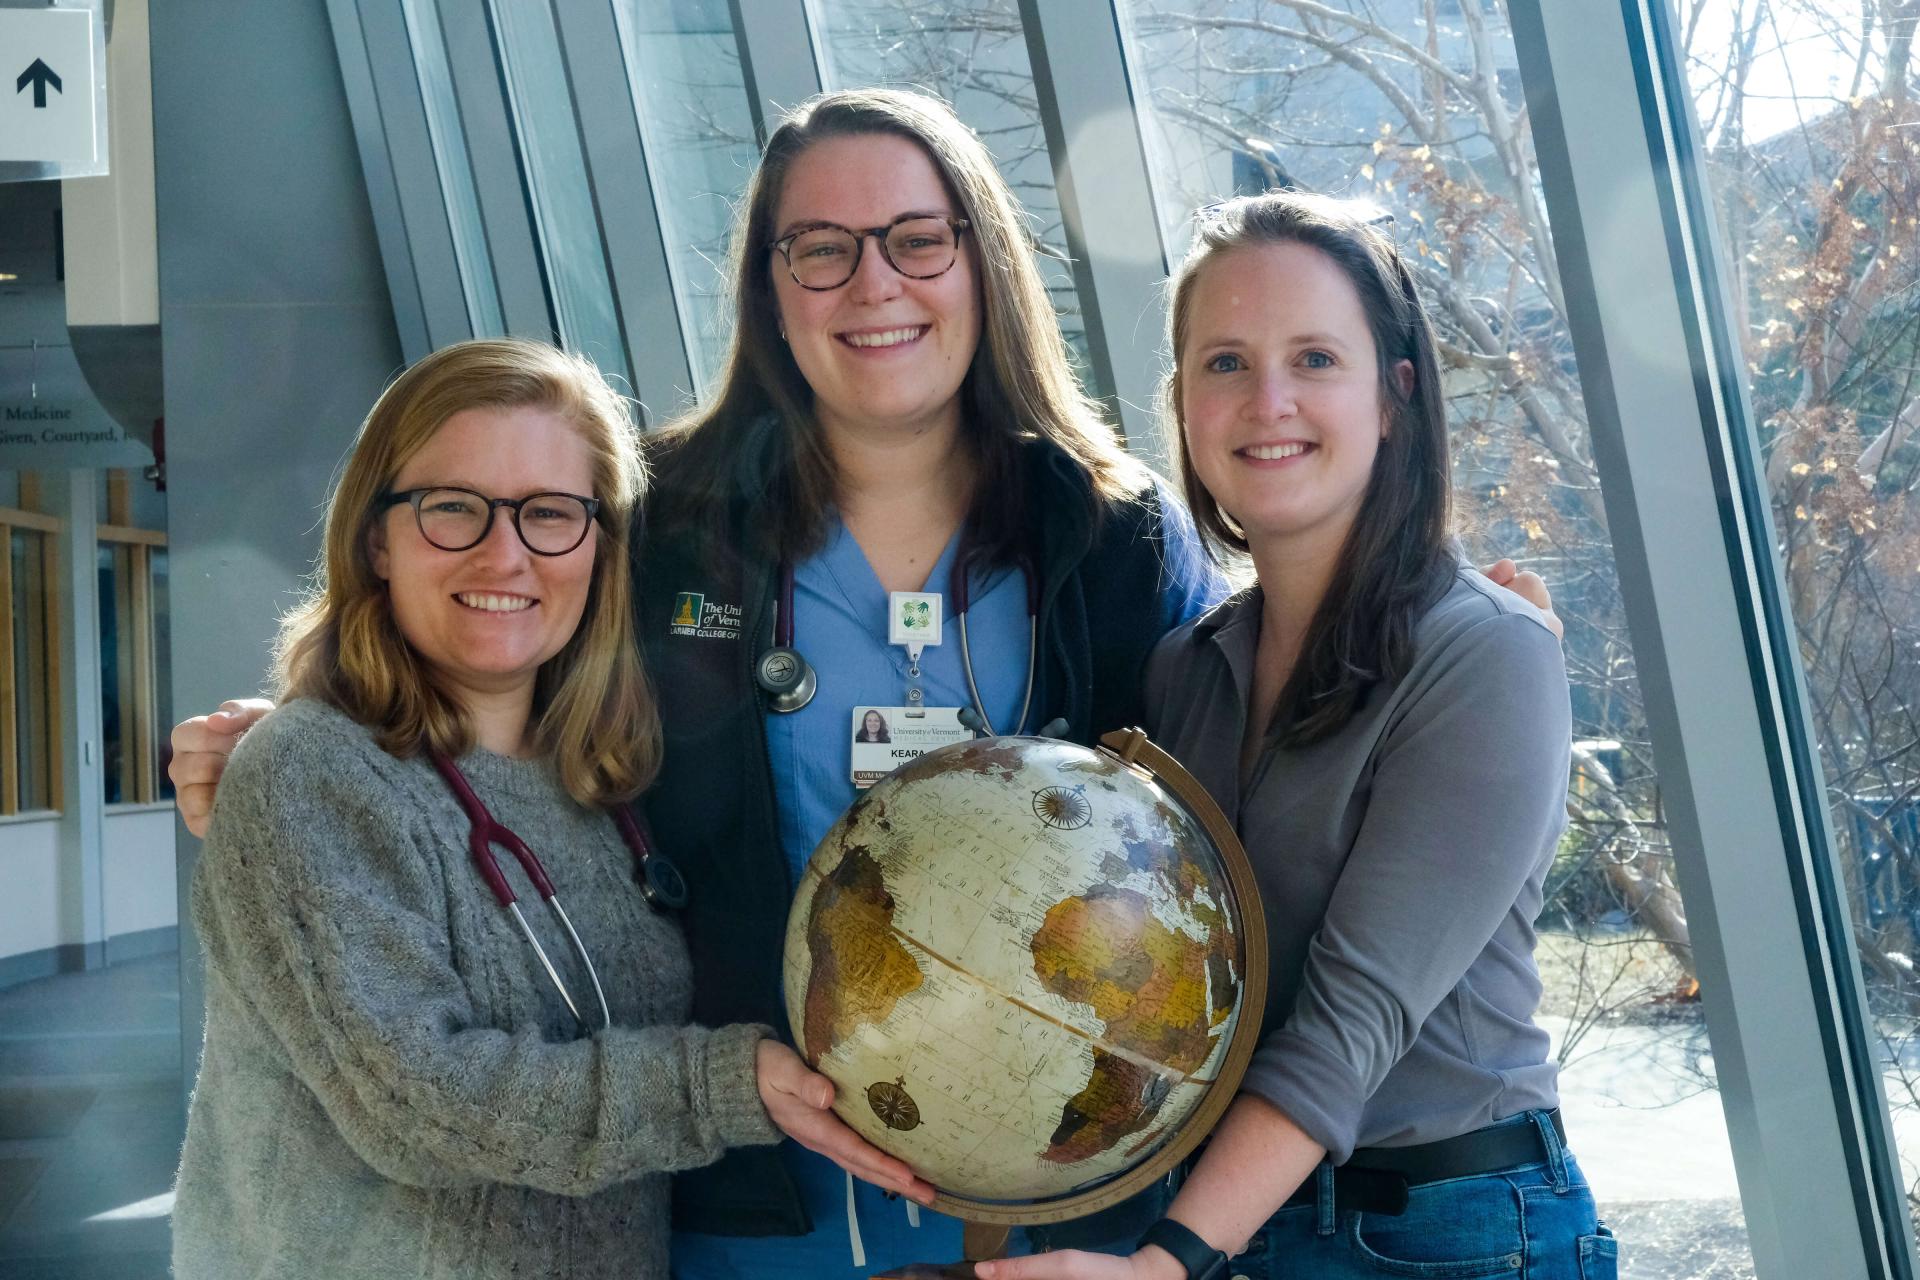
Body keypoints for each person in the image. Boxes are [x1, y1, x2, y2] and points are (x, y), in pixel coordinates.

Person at [169, 91, 1559, 1278]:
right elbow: (498, 676)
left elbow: (1249, 753)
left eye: (914, 241)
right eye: (819, 250)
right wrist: (288, 733)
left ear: (982, 263)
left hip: (1053, 1205)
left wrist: (1460, 618)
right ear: (769, 289)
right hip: (754, 1206)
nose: (873, 286)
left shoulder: (1119, 541)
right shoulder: (661, 529)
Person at [170, 339, 930, 1280]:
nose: (506, 552)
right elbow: (422, 1108)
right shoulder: (311, 771)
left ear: (602, 546)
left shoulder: (602, 782)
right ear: (376, 537)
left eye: (550, 513)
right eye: (452, 507)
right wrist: (726, 1084)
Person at [977, 193, 1614, 1280]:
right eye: (1225, 363)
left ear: (1394, 397)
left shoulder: (1487, 654)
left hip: (1446, 1233)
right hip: (1244, 1219)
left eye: (1315, 357)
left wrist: (1161, 1265)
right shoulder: (1191, 667)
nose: (1268, 400)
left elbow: (1349, 1023)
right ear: (1182, 404)